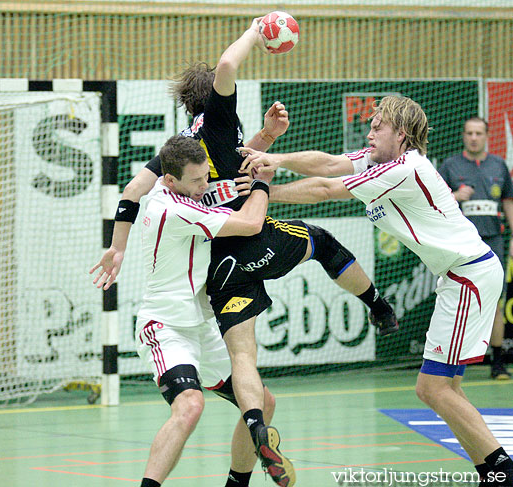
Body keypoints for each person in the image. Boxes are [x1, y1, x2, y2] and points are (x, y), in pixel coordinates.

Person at [91, 18, 397, 487]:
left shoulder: (185, 154)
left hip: (210, 294)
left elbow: (168, 180)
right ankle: (376, 304)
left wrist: (117, 247)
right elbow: (229, 66)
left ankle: (245, 463)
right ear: (213, 97)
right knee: (322, 241)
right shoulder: (191, 182)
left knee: (254, 383)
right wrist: (259, 28)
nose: (202, 185)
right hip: (193, 293)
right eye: (197, 182)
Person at [241, 95, 513, 486]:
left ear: (401, 134)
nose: (369, 132)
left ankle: (501, 470)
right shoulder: (382, 159)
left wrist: (263, 191)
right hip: (460, 276)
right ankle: (493, 471)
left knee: (434, 388)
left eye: (377, 126)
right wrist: (274, 158)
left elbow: (324, 188)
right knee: (443, 388)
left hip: (467, 275)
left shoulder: (404, 168)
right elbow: (329, 163)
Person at [122, 134, 293, 487]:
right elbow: (250, 223)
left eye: (206, 177)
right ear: (170, 180)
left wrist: (263, 139)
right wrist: (261, 184)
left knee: (261, 402)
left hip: (202, 326)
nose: (204, 186)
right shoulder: (173, 209)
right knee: (190, 405)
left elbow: (220, 190)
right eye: (197, 181)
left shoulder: (181, 193)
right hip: (166, 326)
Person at [438, 117, 512, 380]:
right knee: (458, 302)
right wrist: (456, 196)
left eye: (478, 133)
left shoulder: (498, 165)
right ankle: (455, 362)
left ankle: (498, 362)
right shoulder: (450, 166)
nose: (473, 137)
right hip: (459, 246)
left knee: (495, 303)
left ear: (487, 136)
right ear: (463, 136)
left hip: (493, 242)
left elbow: (508, 202)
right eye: (469, 132)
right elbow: (433, 201)